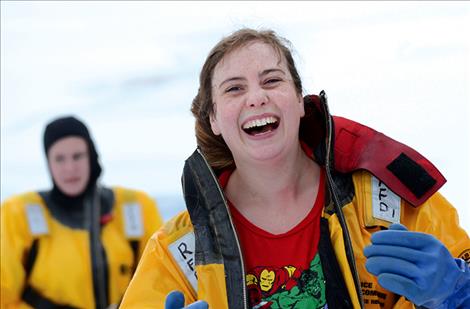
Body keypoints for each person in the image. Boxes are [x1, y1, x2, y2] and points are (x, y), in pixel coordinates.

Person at [119, 28, 470, 309]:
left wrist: (457, 294)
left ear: (300, 101)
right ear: (213, 119)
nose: (256, 97)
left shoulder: (389, 207)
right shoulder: (176, 255)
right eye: (234, 89)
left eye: (272, 81)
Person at [1, 116, 164, 309]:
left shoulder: (136, 207)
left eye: (77, 156)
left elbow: (160, 282)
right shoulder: (17, 215)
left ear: (92, 156)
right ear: (48, 163)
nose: (70, 168)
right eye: (59, 159)